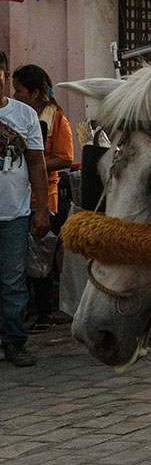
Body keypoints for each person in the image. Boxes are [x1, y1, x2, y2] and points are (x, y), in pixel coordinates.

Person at [12, 64, 74, 330]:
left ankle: (44, 312)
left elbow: (65, 158)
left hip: (43, 194)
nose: (16, 96)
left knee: (40, 253)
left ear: (36, 92)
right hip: (16, 194)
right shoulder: (16, 116)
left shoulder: (57, 119)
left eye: (20, 91)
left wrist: (34, 163)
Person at [0, 51, 51, 366]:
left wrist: (42, 209)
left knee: (13, 284)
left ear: (4, 75)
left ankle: (15, 343)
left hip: (14, 214)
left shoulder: (24, 115)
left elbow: (36, 163)